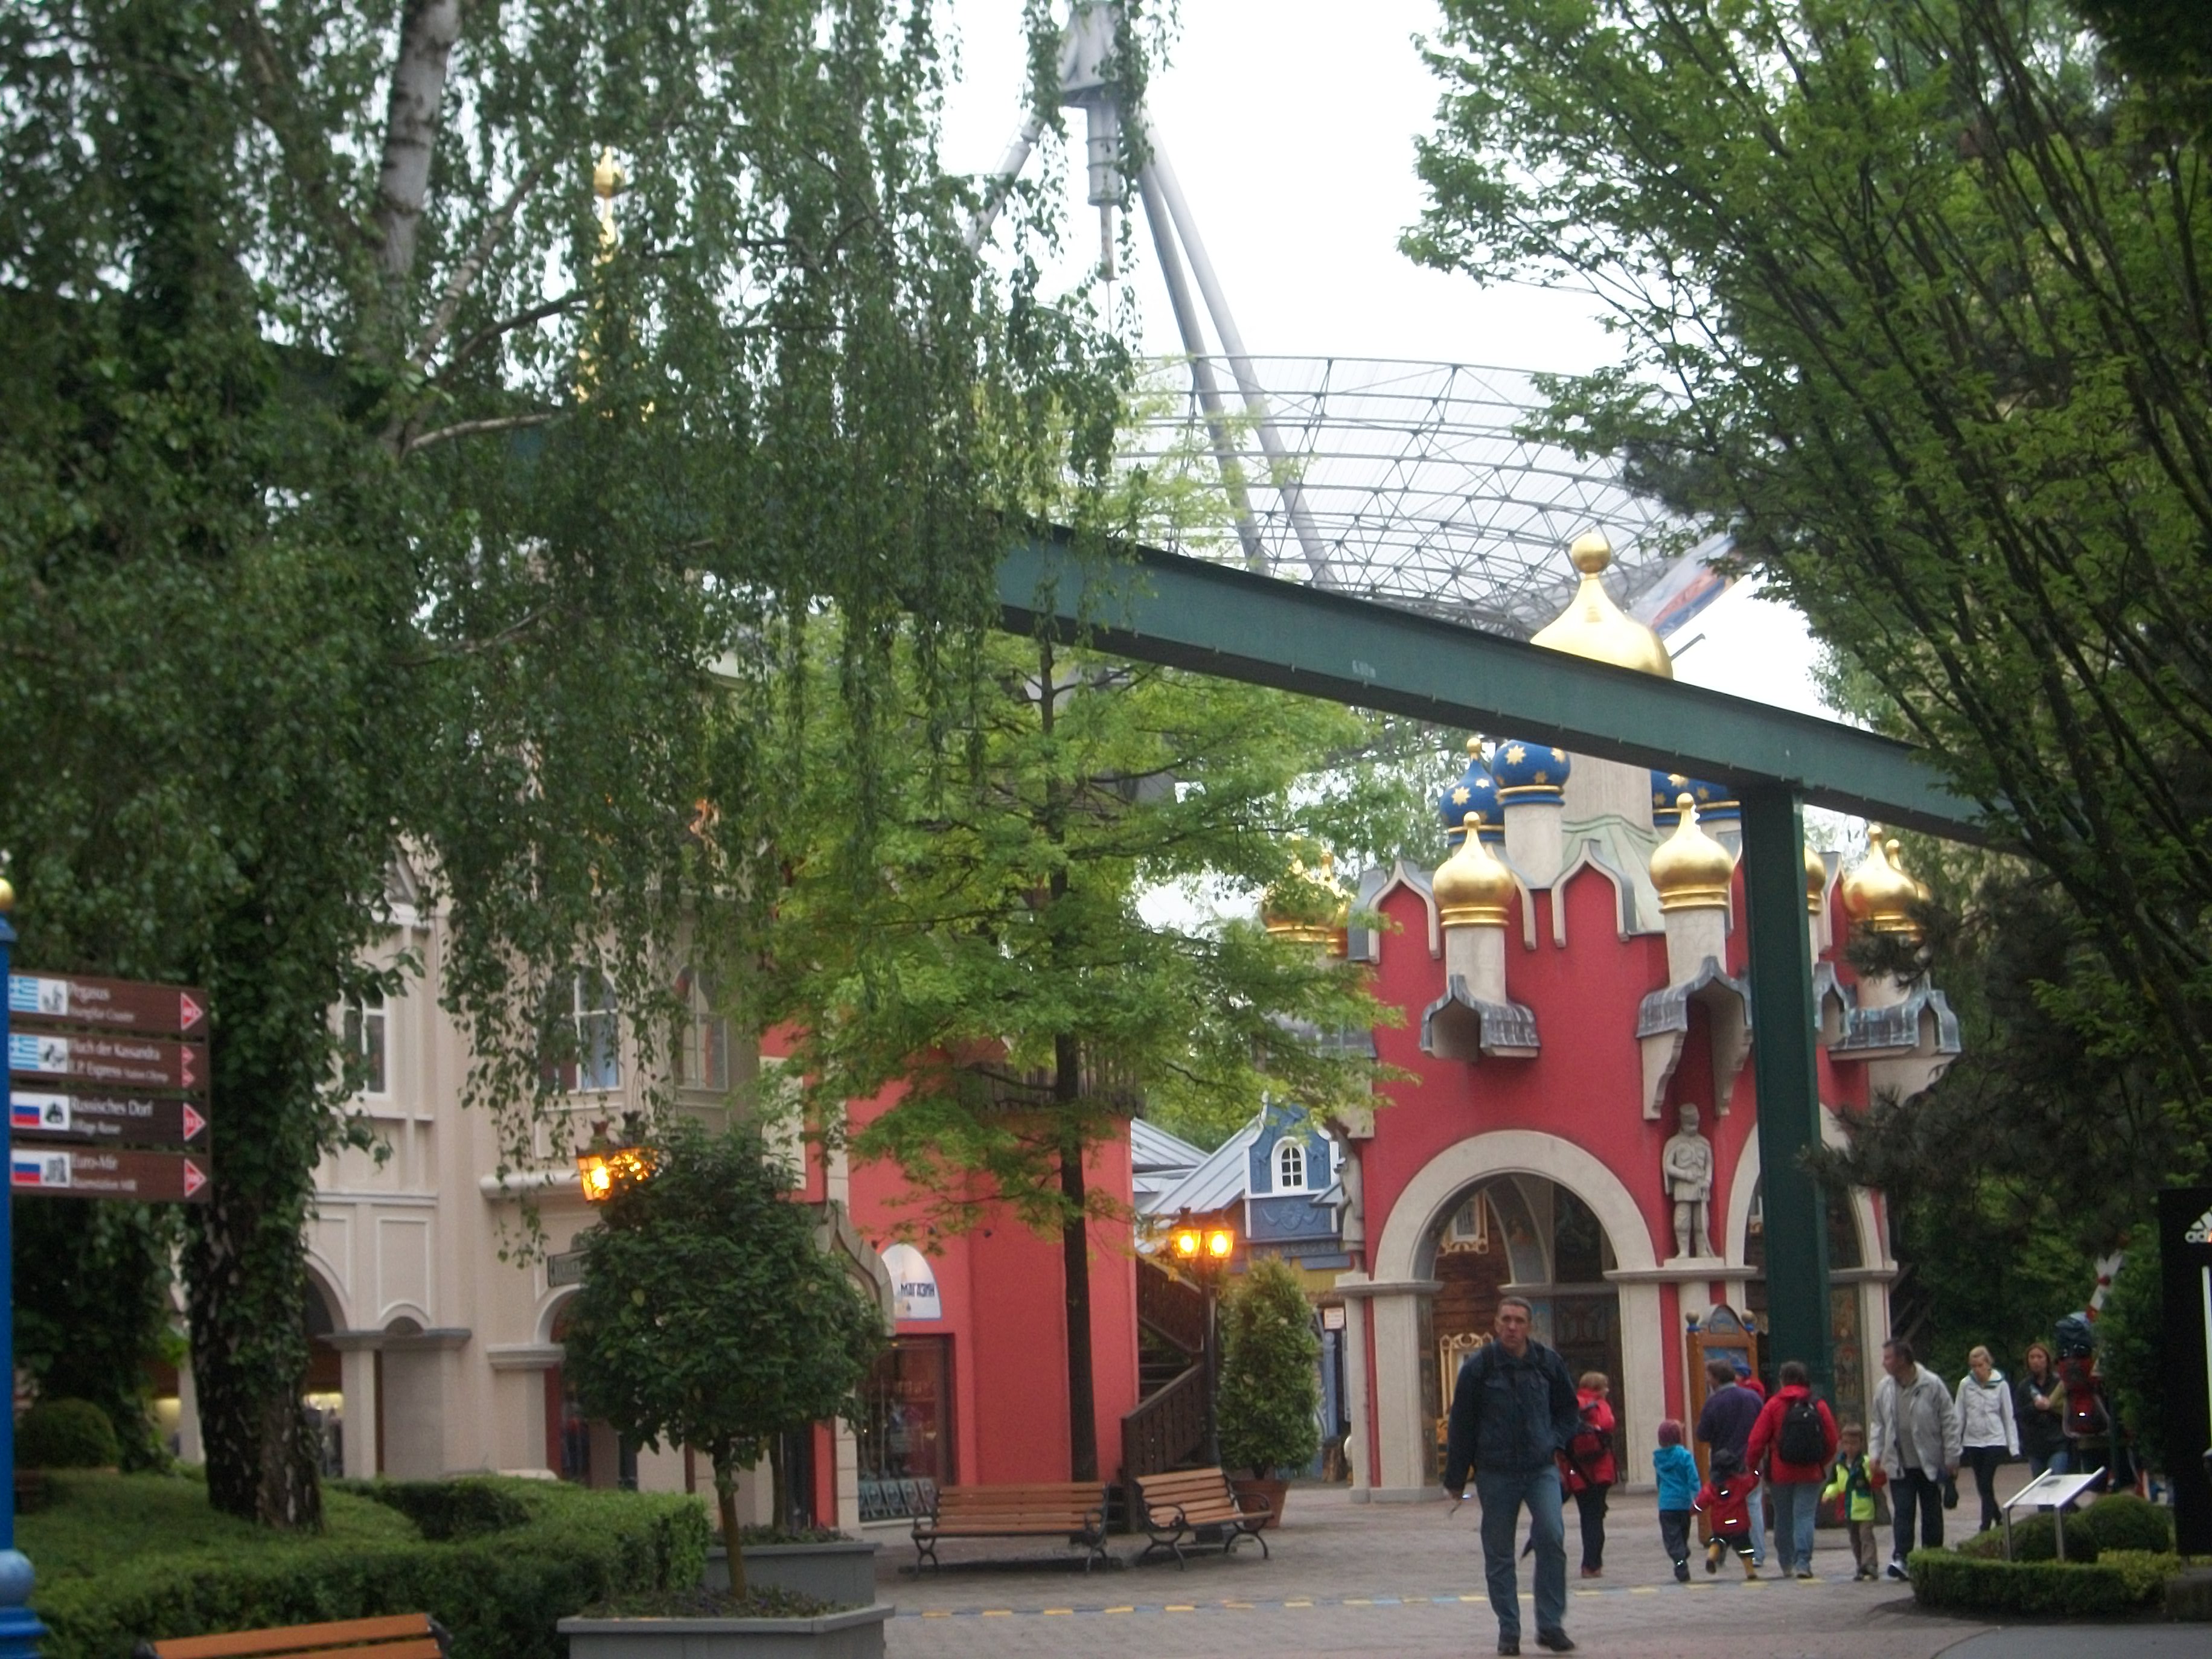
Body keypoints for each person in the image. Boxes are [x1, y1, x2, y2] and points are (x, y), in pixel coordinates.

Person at [1442, 1294, 1582, 1656]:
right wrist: (1455, 1478)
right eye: (1506, 1320)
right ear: (1496, 1323)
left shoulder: (1547, 1364)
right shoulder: (1479, 1369)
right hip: (1496, 1472)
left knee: (1551, 1535)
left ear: (1529, 1327)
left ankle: (1550, 1625)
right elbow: (1462, 1425)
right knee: (1499, 1552)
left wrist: (1555, 1441)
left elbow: (1569, 1412)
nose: (1512, 1327)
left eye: (1519, 1321)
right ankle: (1509, 1629)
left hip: (1540, 1468)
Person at [1870, 1337, 1961, 1577]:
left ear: (1902, 1359)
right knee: (1903, 1510)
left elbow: (1949, 1421)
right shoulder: (1884, 1388)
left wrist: (1952, 1457)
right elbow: (1878, 1423)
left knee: (1931, 1511)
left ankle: (1933, 1555)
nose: (1884, 1363)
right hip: (1899, 1462)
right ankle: (1902, 1557)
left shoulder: (1932, 1384)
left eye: (1888, 1358)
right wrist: (1875, 1453)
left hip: (1929, 1460)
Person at [1745, 1358, 1840, 1578]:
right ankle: (1803, 1563)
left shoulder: (1773, 1405)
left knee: (1783, 1517)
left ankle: (1786, 1562)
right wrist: (1821, 1461)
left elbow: (1756, 1440)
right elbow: (1832, 1439)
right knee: (1805, 1516)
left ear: (1783, 1380)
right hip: (1811, 1471)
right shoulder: (1818, 1404)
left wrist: (1752, 1466)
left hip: (1780, 1471)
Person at [1695, 1356, 1768, 1566]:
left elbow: (1702, 1434)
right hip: (1751, 1461)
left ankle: (1720, 1551)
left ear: (1716, 1378)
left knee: (1722, 1505)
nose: (1708, 1380)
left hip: (1722, 1464)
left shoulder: (1713, 1402)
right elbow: (1764, 1426)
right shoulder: (1752, 1398)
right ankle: (1757, 1553)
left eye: (1709, 1376)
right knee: (1753, 1505)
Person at [1955, 1345, 2020, 1531]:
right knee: (1982, 1485)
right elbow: (1959, 1415)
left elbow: (2008, 1416)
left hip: (1995, 1440)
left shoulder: (2001, 1385)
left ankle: (1985, 1525)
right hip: (1973, 1441)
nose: (1977, 1370)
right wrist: (1955, 1445)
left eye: (1980, 1365)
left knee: (1985, 1481)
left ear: (1988, 1364)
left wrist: (2014, 1447)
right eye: (1973, 1366)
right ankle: (1998, 1517)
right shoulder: (1965, 1385)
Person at [1561, 1371, 1616, 1578]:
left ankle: (1588, 1565)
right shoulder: (1600, 1405)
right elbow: (1608, 1425)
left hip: (1577, 1470)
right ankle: (1593, 1565)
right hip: (1600, 1470)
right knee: (1596, 1518)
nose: (1607, 1390)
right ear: (1598, 1389)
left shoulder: (1573, 1403)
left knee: (1587, 1516)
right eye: (1605, 1387)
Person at [1821, 1422, 1884, 1581]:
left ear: (1861, 1444)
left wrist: (1877, 1473)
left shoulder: (1865, 1463)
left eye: (1854, 1443)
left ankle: (1870, 1564)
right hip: (1848, 1509)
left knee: (1866, 1536)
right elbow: (1836, 1484)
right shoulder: (1839, 1465)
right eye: (1846, 1443)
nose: (1850, 1447)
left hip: (1865, 1508)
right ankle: (1861, 1564)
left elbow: (1874, 1480)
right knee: (1855, 1539)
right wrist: (1829, 1493)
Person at [1696, 1446, 1760, 1579]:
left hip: (1721, 1524)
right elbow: (1753, 1481)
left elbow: (1701, 1502)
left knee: (1718, 1542)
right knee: (1745, 1547)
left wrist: (1690, 1511)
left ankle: (1711, 1557)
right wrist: (1756, 1472)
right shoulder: (1740, 1483)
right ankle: (1750, 1571)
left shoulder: (1711, 1487)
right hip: (1739, 1524)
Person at [1653, 1418, 1700, 1584]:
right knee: (1683, 1534)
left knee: (1672, 1539)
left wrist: (1661, 1493)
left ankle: (1680, 1561)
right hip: (1683, 1503)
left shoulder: (1658, 1458)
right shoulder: (1685, 1456)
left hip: (1666, 1505)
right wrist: (1698, 1496)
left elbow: (1659, 1480)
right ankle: (1682, 1556)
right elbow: (1693, 1478)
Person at [2014, 1341, 2067, 1477]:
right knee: (2040, 1483)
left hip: (2057, 1443)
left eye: (2039, 1357)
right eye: (2032, 1357)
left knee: (2056, 1478)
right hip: (2035, 1446)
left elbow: (2066, 1409)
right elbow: (2019, 1414)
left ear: (2047, 1360)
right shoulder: (2024, 1386)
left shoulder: (2058, 1383)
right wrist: (2035, 1408)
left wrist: (2050, 1407)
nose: (2036, 1361)